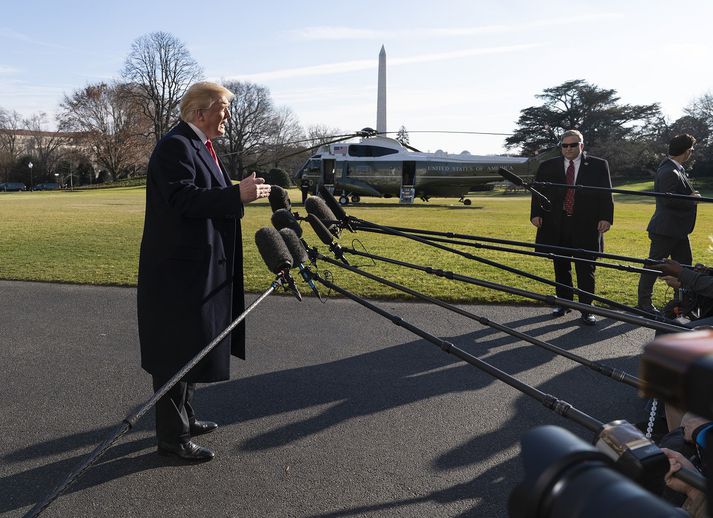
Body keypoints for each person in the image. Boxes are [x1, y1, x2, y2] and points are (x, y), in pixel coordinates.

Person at [137, 81, 270, 462]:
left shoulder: (200, 145)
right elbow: (182, 198)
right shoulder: (175, 146)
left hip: (198, 266)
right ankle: (172, 438)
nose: (227, 116)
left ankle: (186, 418)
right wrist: (235, 195)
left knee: (192, 344)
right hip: (177, 273)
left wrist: (237, 191)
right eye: (222, 109)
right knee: (175, 352)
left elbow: (202, 191)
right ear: (200, 113)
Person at [530, 129, 614, 325]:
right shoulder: (547, 166)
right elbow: (537, 191)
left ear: (581, 146)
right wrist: (535, 214)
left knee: (586, 268)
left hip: (586, 224)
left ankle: (586, 309)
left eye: (573, 145)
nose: (568, 149)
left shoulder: (598, 165)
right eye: (565, 145)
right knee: (560, 266)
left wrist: (606, 218)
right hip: (556, 224)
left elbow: (606, 193)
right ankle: (564, 303)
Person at [637, 134, 699, 314]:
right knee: (653, 266)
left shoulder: (675, 169)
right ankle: (644, 303)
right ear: (686, 151)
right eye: (692, 150)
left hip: (677, 230)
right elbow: (668, 200)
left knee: (684, 266)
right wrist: (692, 199)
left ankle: (681, 302)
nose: (692, 153)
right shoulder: (669, 171)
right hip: (666, 230)